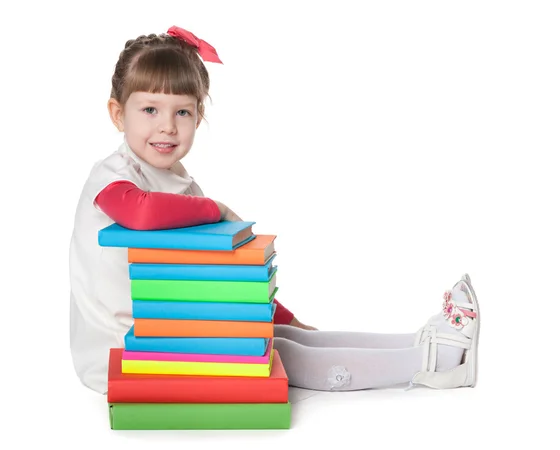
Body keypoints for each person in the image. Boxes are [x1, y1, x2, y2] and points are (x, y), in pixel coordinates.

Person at [69, 25, 480, 395]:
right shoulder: (112, 176)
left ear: (199, 115)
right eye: (149, 110)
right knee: (277, 350)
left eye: (183, 112)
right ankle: (431, 362)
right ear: (118, 114)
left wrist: (288, 316)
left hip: (170, 329)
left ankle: (416, 341)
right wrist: (217, 209)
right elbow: (140, 213)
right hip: (125, 348)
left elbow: (233, 273)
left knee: (281, 333)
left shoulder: (181, 184)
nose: (167, 126)